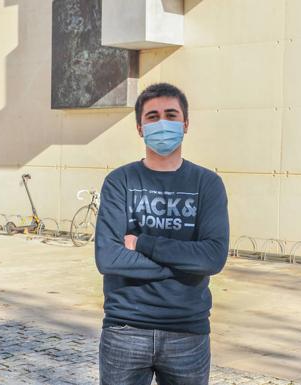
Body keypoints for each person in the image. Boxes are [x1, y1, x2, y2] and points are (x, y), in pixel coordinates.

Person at [94, 82, 230, 385]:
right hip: (125, 328)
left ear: (186, 124)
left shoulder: (207, 184)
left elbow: (212, 258)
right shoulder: (120, 181)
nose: (162, 123)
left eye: (171, 114)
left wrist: (143, 242)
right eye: (153, 116)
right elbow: (108, 259)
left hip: (188, 332)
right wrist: (184, 264)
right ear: (140, 128)